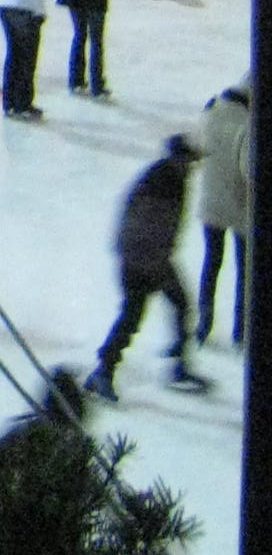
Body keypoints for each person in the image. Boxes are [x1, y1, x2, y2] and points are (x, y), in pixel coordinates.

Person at [85, 139, 207, 401]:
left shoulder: (169, 179)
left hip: (152, 258)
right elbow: (146, 228)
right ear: (179, 160)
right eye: (190, 162)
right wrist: (153, 267)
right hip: (140, 260)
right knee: (133, 316)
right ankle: (103, 371)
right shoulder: (163, 184)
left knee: (179, 305)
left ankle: (178, 363)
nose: (193, 168)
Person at [195, 77, 251, 349]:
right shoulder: (248, 125)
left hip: (210, 204)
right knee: (245, 271)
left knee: (211, 263)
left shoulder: (211, 111)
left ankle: (203, 324)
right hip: (240, 208)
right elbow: (249, 170)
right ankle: (242, 329)